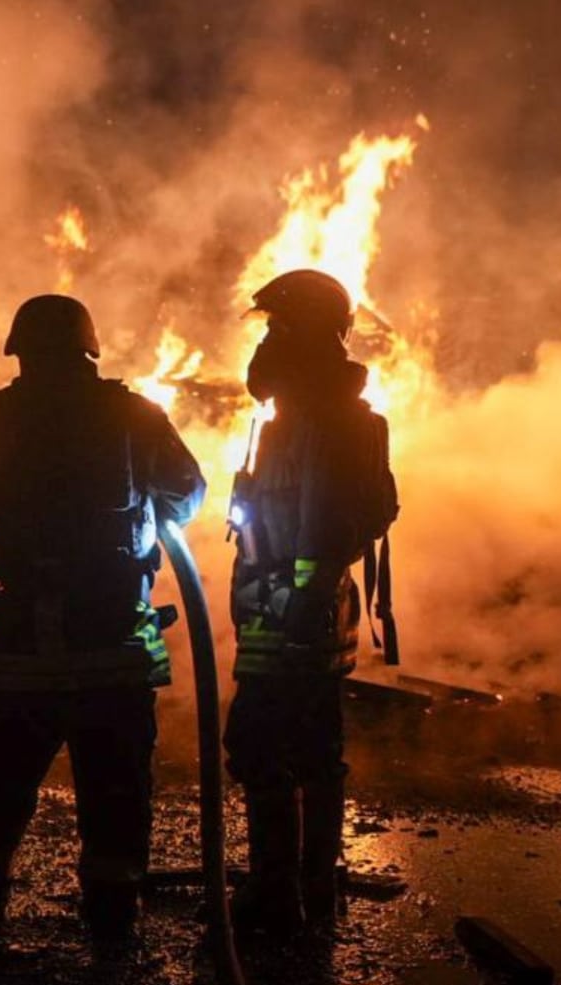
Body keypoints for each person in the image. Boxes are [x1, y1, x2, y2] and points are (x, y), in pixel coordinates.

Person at [0, 294, 206, 946]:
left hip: (25, 633)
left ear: (21, 353)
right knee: (116, 784)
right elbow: (188, 490)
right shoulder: (134, 414)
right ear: (90, 349)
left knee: (0, 777)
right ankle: (113, 915)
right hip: (112, 634)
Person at [224, 269, 398, 933]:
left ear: (301, 332)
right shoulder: (303, 416)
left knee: (260, 744)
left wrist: (305, 593)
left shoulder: (324, 422)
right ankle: (312, 884)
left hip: (292, 611)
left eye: (276, 325)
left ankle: (278, 892)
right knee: (314, 744)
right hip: (300, 606)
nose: (266, 339)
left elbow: (334, 521)